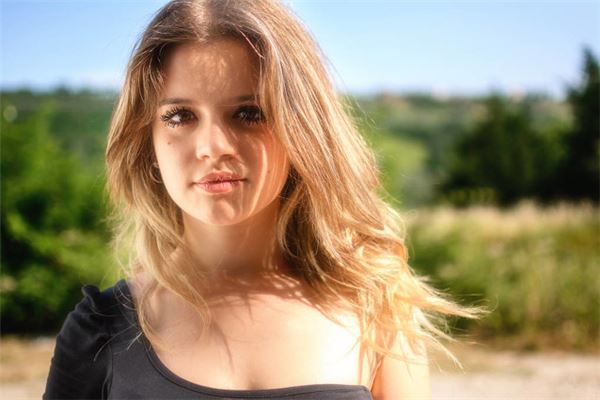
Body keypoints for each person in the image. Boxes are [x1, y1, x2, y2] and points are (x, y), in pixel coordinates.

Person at [43, 0, 482, 399]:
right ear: (147, 140)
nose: (212, 147)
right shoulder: (101, 331)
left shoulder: (377, 311)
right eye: (180, 116)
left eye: (249, 113)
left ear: (302, 128)